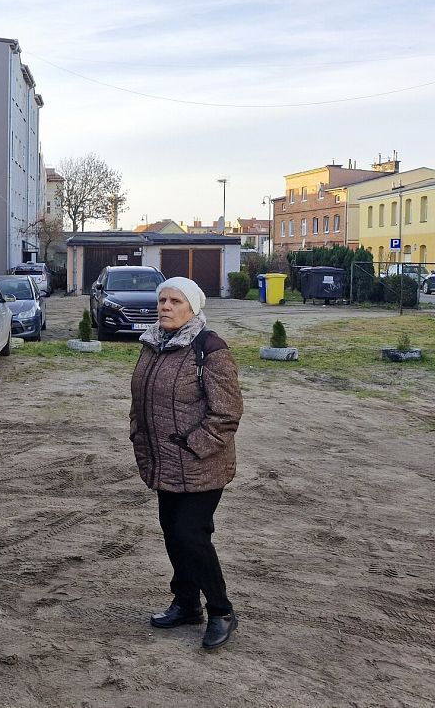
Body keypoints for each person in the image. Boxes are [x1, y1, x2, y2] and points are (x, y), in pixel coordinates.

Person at [129, 276, 243, 650]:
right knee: (172, 532)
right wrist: (138, 435)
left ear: (192, 308)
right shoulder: (152, 345)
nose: (165, 306)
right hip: (163, 461)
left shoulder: (209, 349)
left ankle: (222, 611)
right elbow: (140, 400)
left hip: (201, 464)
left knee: (191, 533)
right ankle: (187, 603)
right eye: (162, 300)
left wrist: (193, 446)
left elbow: (226, 413)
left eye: (175, 301)